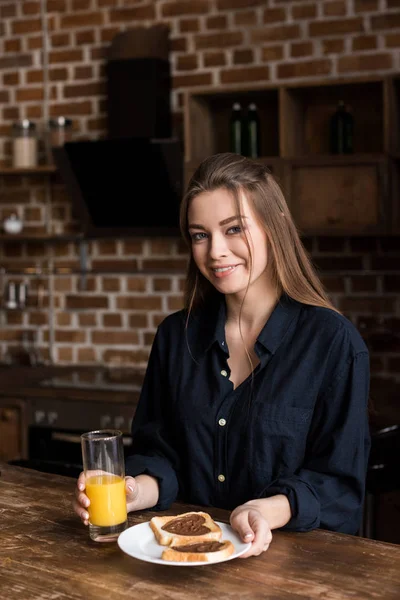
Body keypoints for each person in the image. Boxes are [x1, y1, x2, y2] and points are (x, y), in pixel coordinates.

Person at [73, 153, 370, 558]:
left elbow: (339, 485)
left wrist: (265, 509)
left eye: (233, 229)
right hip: (184, 565)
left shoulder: (333, 343)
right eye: (199, 235)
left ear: (274, 225)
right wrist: (132, 491)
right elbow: (163, 455)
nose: (215, 252)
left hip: (295, 572)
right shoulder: (175, 337)